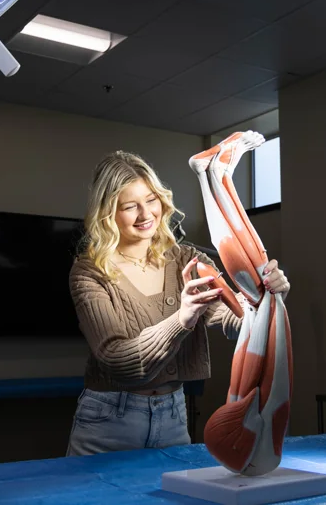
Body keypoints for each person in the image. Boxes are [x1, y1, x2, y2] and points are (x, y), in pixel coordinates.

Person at [65, 150, 290, 456]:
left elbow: (236, 322)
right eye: (130, 207)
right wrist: (182, 318)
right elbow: (117, 359)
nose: (146, 215)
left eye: (151, 200)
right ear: (108, 214)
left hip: (173, 416)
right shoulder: (90, 271)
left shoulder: (187, 259)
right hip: (107, 422)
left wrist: (267, 297)